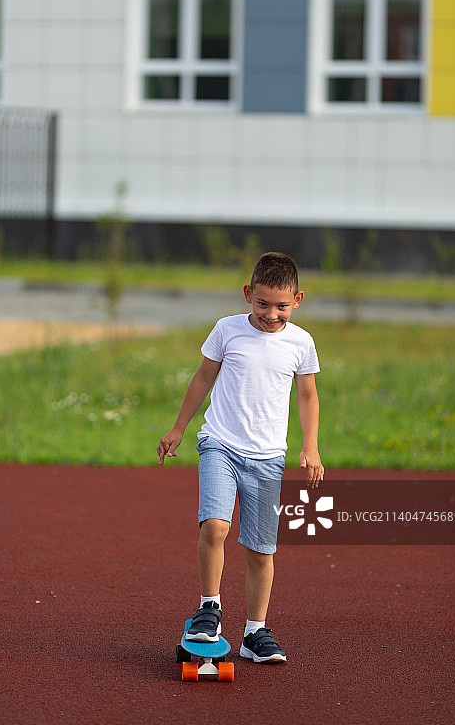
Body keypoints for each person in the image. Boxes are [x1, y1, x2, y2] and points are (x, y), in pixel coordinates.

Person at [157, 252, 323, 663]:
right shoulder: (227, 330)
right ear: (248, 294)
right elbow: (203, 378)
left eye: (282, 306)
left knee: (260, 551)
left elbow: (307, 395)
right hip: (221, 445)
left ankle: (255, 633)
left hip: (268, 458)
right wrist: (178, 428)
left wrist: (311, 445)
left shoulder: (300, 342)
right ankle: (208, 608)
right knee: (215, 526)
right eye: (262, 303)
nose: (271, 314)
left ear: (298, 300)